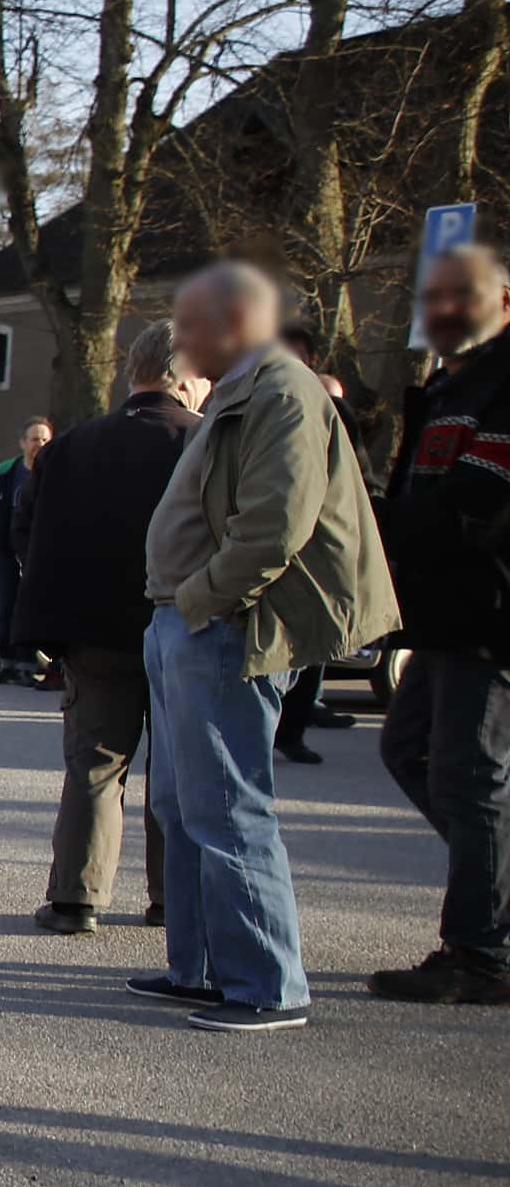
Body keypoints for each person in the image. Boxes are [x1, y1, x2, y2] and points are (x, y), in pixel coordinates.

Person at [135, 262, 401, 1034]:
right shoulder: (239, 390)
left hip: (224, 626)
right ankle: (200, 968)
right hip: (183, 621)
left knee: (226, 807)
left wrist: (197, 603)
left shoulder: (284, 391)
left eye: (190, 325)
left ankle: (265, 985)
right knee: (180, 804)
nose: (179, 342)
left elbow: (273, 529)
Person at [13, 323, 205, 935]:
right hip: (182, 622)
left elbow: (31, 534)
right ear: (187, 377)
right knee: (175, 768)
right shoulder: (203, 442)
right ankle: (172, 898)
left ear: (132, 372)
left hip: (93, 630)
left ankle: (76, 896)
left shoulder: (73, 445)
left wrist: (48, 622)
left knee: (95, 766)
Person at [369, 241, 510, 1005]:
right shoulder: (443, 388)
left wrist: (365, 512)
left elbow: (474, 505)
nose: (444, 310)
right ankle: (494, 903)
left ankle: (481, 953)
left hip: (492, 611)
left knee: (468, 775)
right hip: (444, 615)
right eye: (435, 297)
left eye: (463, 294)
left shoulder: (502, 385)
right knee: (410, 749)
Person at [267, 322, 364, 763]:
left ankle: (292, 729)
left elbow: (353, 482)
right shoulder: (260, 404)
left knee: (311, 649)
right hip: (271, 545)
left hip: (316, 547)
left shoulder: (334, 414)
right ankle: (269, 730)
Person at [0, 418, 53, 682]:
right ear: (23, 443)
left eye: (45, 440)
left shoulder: (55, 471)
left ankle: (27, 665)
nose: (39, 445)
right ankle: (7, 664)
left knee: (29, 611)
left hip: (38, 556)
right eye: (34, 439)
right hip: (8, 555)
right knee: (6, 611)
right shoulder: (7, 472)